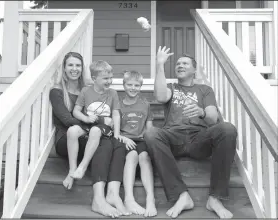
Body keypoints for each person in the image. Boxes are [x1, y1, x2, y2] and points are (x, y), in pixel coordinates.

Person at [144, 46, 238, 219]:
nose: (180, 65)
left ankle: (215, 198)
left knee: (227, 129)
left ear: (194, 70)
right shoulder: (172, 88)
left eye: (185, 63)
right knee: (151, 134)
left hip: (198, 139)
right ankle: (181, 195)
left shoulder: (204, 90)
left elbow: (212, 118)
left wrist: (201, 112)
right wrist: (159, 65)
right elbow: (160, 96)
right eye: (178, 63)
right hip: (173, 138)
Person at [49, 53, 130, 217]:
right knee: (103, 141)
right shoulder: (57, 91)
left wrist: (112, 127)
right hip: (67, 138)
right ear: (64, 68)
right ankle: (83, 182)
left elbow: (113, 113)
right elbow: (67, 120)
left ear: (82, 68)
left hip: (88, 134)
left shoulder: (88, 89)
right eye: (70, 65)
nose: (74, 69)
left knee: (111, 142)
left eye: (78, 65)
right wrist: (101, 120)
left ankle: (106, 196)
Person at [68, 60, 119, 180]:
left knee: (95, 130)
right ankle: (72, 168)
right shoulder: (85, 91)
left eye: (111, 78)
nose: (109, 81)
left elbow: (116, 114)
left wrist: (116, 134)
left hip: (104, 128)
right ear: (94, 78)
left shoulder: (113, 93)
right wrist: (86, 118)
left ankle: (83, 166)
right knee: (72, 131)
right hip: (88, 123)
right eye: (105, 78)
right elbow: (76, 111)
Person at [118, 71, 157, 217]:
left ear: (140, 87)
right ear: (124, 85)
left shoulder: (145, 105)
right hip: (124, 140)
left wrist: (150, 141)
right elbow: (115, 129)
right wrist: (123, 138)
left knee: (145, 156)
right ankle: (129, 198)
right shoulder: (118, 105)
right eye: (129, 84)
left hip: (141, 140)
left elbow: (150, 128)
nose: (133, 88)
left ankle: (150, 199)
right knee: (132, 156)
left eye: (136, 85)